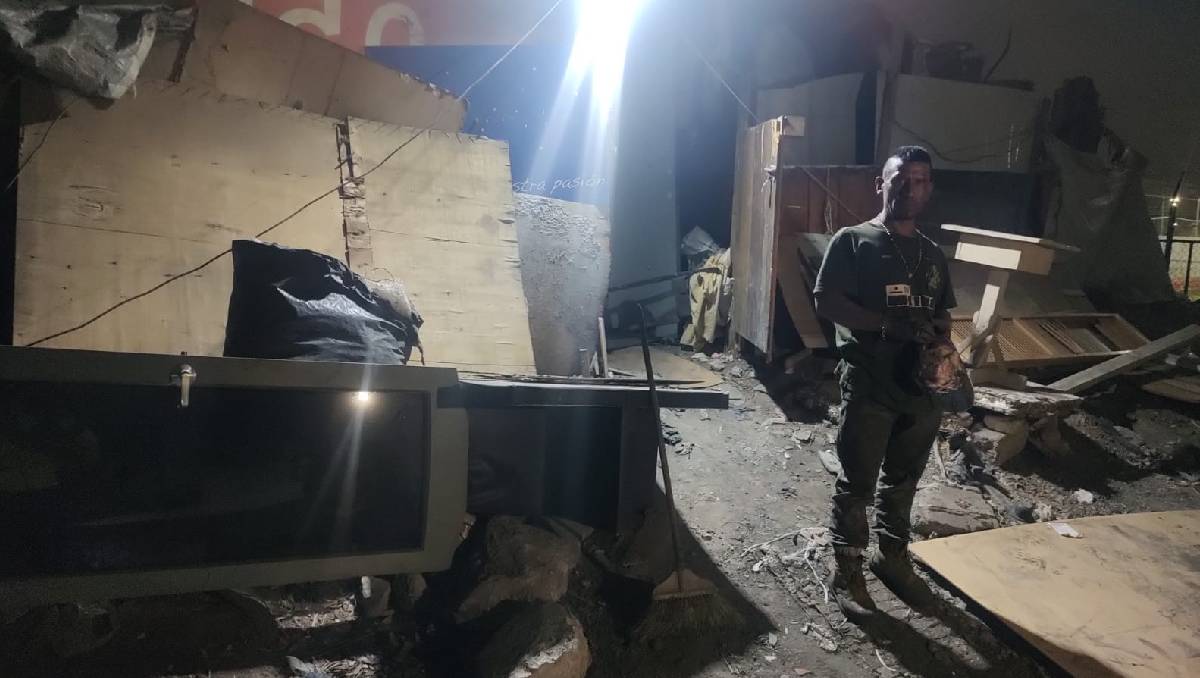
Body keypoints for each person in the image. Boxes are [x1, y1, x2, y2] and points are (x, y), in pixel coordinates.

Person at [812, 146, 955, 619]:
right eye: (900, 179)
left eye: (921, 180)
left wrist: (940, 342)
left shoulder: (932, 253)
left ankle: (891, 557)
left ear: (930, 188)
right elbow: (827, 302)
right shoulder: (854, 241)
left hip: (920, 390)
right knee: (857, 480)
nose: (911, 188)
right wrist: (884, 325)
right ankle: (848, 568)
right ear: (881, 184)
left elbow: (943, 312)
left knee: (904, 479)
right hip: (871, 383)